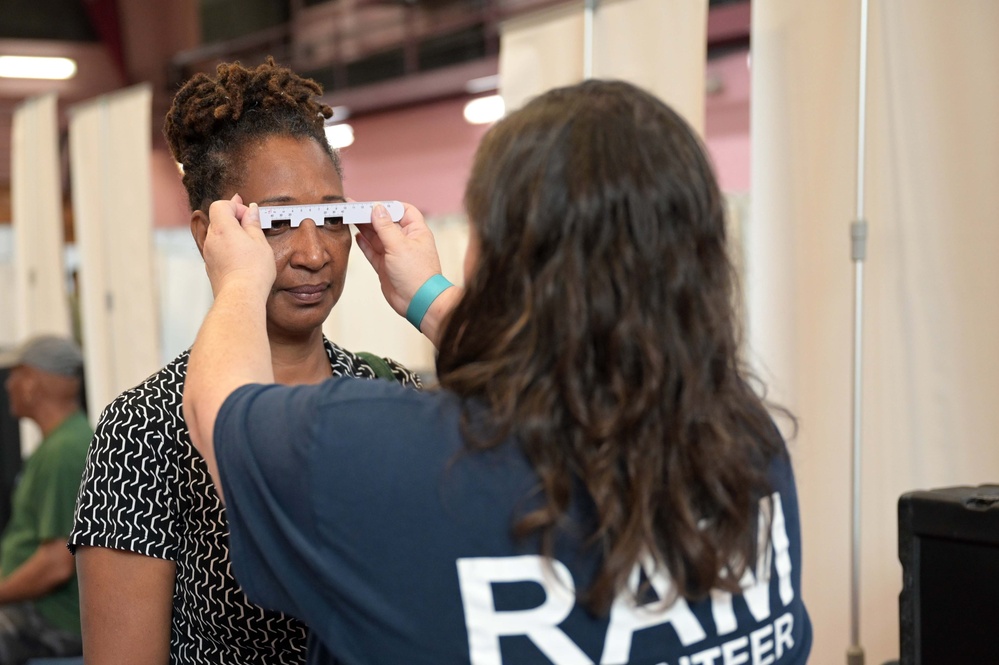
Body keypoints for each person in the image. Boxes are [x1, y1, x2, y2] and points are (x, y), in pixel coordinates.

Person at [185, 79, 813, 664]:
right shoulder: (747, 445)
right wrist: (430, 297)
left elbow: (223, 410)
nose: (314, 249)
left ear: (498, 256)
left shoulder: (389, 457)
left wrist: (240, 282)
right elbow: (569, 362)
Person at [68, 58, 421, 664]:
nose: (314, 253)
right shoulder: (143, 432)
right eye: (278, 222)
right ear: (209, 234)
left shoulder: (391, 392)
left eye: (334, 217)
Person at [0, 334, 91, 663]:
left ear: (32, 383)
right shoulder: (62, 443)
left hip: (52, 619)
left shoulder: (65, 451)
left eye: (16, 374)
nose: (9, 384)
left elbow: (56, 565)